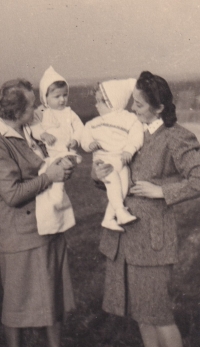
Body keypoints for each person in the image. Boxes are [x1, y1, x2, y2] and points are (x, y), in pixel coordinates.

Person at [93, 71, 200, 347]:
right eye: (133, 103)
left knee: (159, 314)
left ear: (160, 108)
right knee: (141, 314)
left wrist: (162, 191)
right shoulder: (130, 132)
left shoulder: (176, 137)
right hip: (124, 239)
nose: (132, 109)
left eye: (139, 105)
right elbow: (110, 177)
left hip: (153, 244)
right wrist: (98, 173)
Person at [0, 78, 75, 347]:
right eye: (32, 106)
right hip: (21, 240)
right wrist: (50, 177)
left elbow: (42, 166)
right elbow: (12, 194)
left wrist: (59, 166)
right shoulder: (2, 142)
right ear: (15, 111)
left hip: (46, 231)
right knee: (16, 309)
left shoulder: (28, 132)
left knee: (52, 303)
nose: (38, 111)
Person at [81, 79, 144, 232]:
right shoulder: (94, 123)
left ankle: (109, 218)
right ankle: (120, 213)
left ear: (112, 102)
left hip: (121, 159)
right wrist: (89, 145)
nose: (96, 105)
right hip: (104, 160)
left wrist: (130, 149)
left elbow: (137, 135)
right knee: (114, 183)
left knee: (121, 188)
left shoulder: (129, 119)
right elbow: (85, 137)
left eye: (100, 102)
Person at [30, 66, 84, 234]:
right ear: (45, 97)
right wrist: (43, 134)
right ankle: (53, 211)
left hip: (65, 152)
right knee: (50, 182)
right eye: (57, 96)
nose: (62, 100)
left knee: (59, 181)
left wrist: (75, 139)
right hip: (50, 155)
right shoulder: (41, 113)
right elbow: (33, 128)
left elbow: (80, 128)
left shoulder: (69, 112)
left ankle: (58, 208)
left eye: (65, 95)